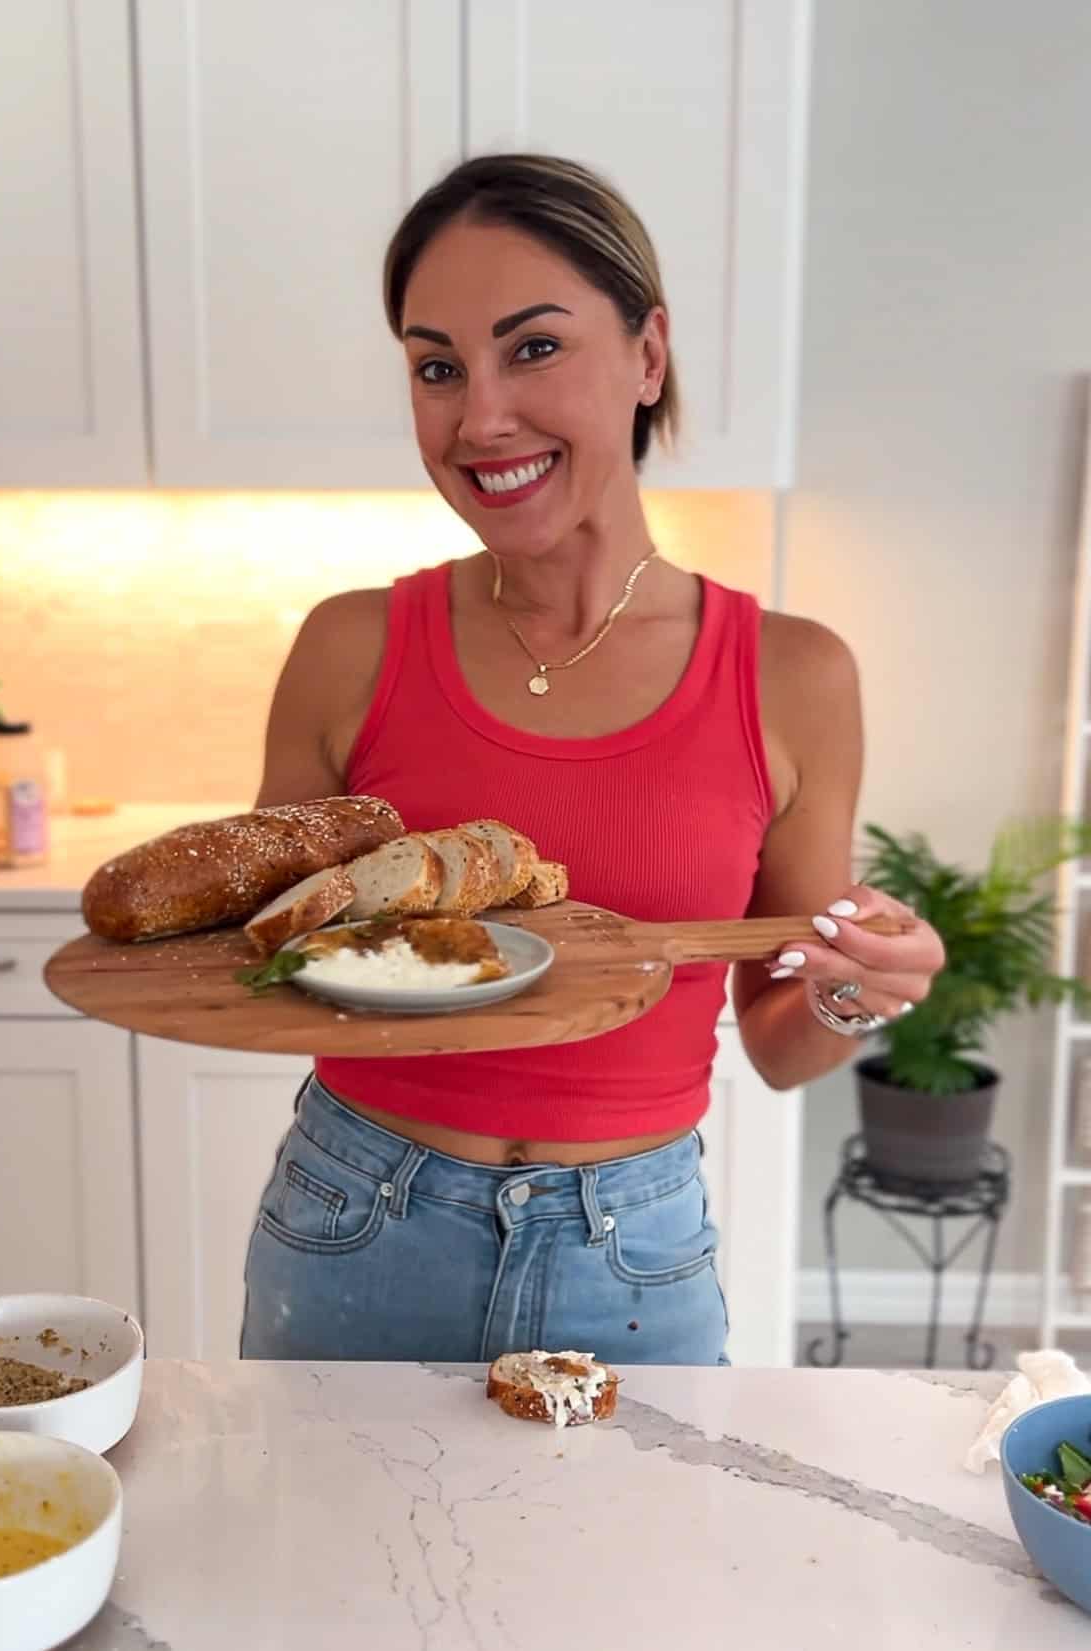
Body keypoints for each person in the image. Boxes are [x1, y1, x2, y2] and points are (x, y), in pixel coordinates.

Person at [240, 154, 944, 1367]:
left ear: (648, 355)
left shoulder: (793, 676)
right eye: (438, 367)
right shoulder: (349, 647)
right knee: (321, 1562)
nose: (480, 420)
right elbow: (262, 956)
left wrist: (859, 985)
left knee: (640, 1564)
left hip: (632, 1243)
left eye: (534, 348)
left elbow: (780, 1034)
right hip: (359, 1217)